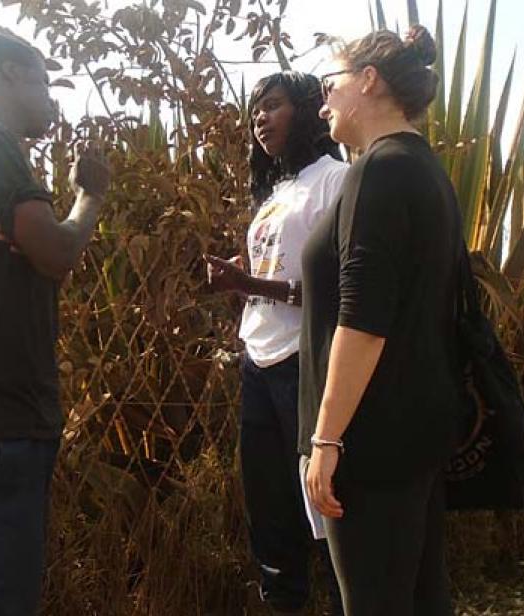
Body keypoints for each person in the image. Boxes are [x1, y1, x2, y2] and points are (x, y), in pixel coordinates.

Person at [0, 29, 111, 615]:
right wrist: (89, 197)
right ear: (9, 73)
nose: (49, 97)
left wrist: (40, 233)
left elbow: (37, 246)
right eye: (40, 79)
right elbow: (56, 254)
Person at [299, 26, 466, 615]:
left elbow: (365, 320)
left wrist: (326, 439)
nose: (323, 103)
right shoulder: (424, 169)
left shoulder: (378, 170)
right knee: (420, 599)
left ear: (368, 81)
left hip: (369, 438)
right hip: (413, 428)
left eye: (330, 85)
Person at [204, 71, 348, 615]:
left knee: (325, 512)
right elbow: (281, 272)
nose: (259, 119)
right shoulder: (275, 194)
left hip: (306, 366)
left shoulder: (336, 180)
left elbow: (338, 290)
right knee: (269, 512)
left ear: (311, 110)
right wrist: (245, 276)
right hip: (258, 364)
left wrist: (248, 284)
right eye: (255, 111)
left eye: (273, 106)